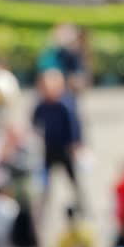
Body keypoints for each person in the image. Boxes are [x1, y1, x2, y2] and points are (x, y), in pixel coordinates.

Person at [32, 69, 83, 207]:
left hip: (65, 148)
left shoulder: (65, 104)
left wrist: (75, 144)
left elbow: (74, 126)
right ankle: (43, 204)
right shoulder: (42, 106)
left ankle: (80, 204)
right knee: (44, 180)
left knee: (73, 178)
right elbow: (35, 123)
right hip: (48, 148)